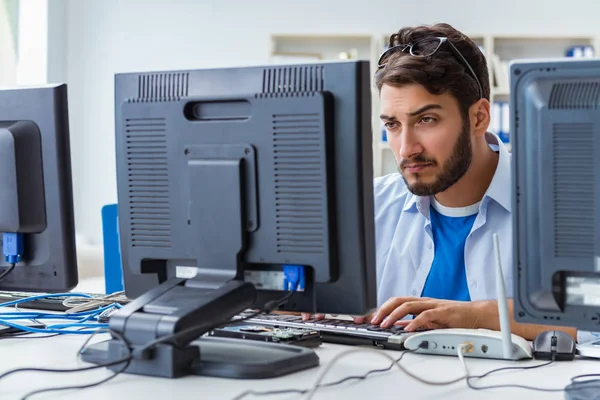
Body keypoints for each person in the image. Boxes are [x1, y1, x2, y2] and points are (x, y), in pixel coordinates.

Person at [303, 22, 577, 341]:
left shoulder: (561, 205)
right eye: (392, 124)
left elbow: (588, 323)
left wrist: (477, 316)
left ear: (478, 117)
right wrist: (296, 304)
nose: (406, 148)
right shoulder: (369, 206)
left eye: (426, 120)